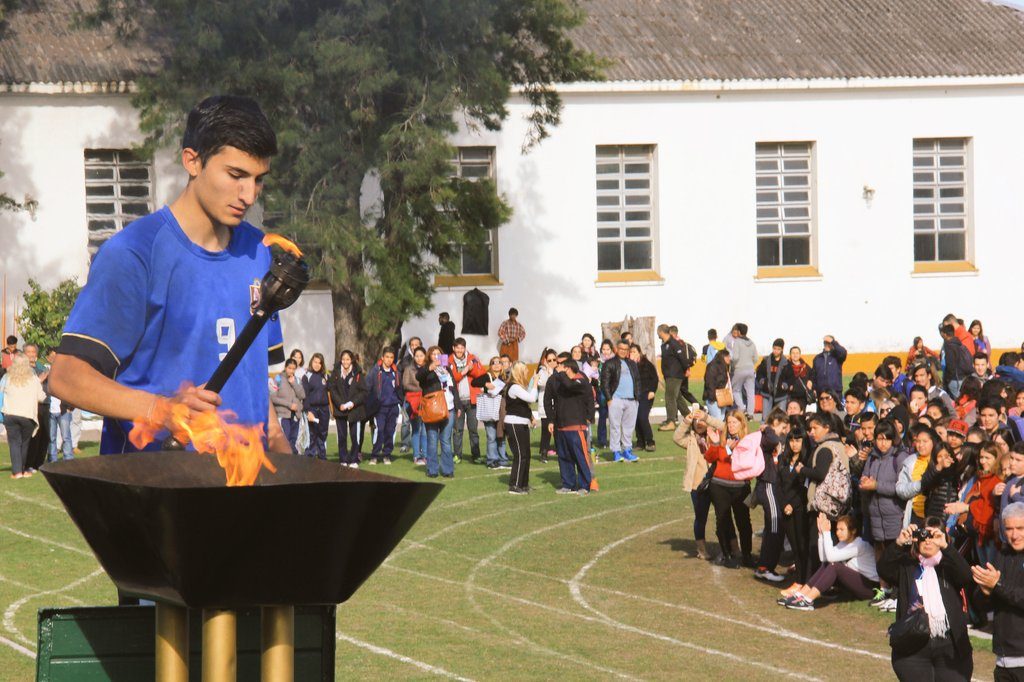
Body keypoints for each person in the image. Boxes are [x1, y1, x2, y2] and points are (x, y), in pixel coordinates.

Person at [49, 95, 289, 458]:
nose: (249, 194)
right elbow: (66, 377)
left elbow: (256, 387)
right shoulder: (134, 253)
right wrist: (162, 411)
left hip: (244, 490)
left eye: (259, 180)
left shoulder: (259, 253)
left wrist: (287, 467)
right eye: (236, 175)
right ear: (192, 160)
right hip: (155, 494)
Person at [880, 517, 973, 681]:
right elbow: (884, 569)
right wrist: (899, 543)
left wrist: (946, 547)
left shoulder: (948, 564)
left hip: (950, 644)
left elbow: (966, 576)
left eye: (934, 536)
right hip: (913, 646)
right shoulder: (907, 565)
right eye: (924, 535)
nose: (928, 541)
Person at [859, 421, 912, 611]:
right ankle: (883, 589)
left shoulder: (900, 457)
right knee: (879, 550)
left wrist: (877, 486)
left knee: (895, 552)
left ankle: (898, 593)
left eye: (886, 439)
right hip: (875, 513)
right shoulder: (872, 457)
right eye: (879, 438)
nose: (882, 443)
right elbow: (865, 475)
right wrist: (865, 482)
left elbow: (900, 487)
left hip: (894, 513)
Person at [780, 513, 879, 611]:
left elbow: (831, 558)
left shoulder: (859, 545)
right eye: (837, 529)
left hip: (870, 588)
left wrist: (826, 532)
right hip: (857, 582)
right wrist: (821, 534)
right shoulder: (843, 543)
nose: (838, 532)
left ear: (853, 531)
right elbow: (824, 559)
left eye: (842, 529)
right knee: (828, 564)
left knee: (834, 566)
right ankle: (800, 595)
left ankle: (807, 600)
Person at [973, 502, 1024, 682]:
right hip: (1003, 659)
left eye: (1020, 528)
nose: (1014, 535)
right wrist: (985, 591)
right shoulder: (1001, 554)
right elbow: (980, 603)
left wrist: (997, 586)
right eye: (1009, 529)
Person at [704, 408, 754, 569]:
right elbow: (709, 457)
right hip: (719, 486)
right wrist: (718, 445)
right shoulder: (721, 438)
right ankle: (727, 555)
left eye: (734, 422)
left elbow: (745, 461)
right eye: (729, 422)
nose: (731, 426)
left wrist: (726, 452)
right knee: (723, 520)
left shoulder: (748, 441)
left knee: (744, 522)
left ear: (742, 424)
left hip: (740, 487)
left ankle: (746, 555)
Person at [674, 407, 723, 560]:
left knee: (722, 516)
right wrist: (687, 420)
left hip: (717, 482)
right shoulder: (690, 440)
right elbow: (676, 437)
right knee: (700, 518)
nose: (700, 423)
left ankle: (726, 547)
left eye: (702, 420)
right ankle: (701, 549)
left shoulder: (716, 437)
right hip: (698, 485)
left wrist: (707, 417)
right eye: (697, 421)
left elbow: (724, 426)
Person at [545, 357, 597, 495]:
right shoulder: (558, 381)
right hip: (561, 426)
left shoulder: (580, 381)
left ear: (568, 368)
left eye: (562, 366)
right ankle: (569, 484)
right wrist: (551, 420)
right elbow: (548, 400)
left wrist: (589, 417)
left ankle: (585, 485)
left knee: (580, 456)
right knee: (564, 457)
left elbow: (571, 386)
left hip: (576, 426)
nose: (558, 368)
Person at [753, 409, 788, 583]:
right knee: (775, 526)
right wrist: (768, 428)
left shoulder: (772, 437)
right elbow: (774, 439)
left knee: (773, 527)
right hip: (768, 484)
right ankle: (766, 567)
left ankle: (765, 566)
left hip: (772, 485)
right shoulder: (768, 436)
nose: (784, 431)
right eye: (782, 426)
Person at [1, 353, 47, 478]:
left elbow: (1, 393)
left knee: (14, 443)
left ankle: (17, 471)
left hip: (10, 415)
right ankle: (23, 469)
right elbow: (41, 397)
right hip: (28, 416)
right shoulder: (33, 379)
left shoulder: (7, 378)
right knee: (25, 443)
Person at [416, 345, 458, 478]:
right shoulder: (426, 368)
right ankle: (432, 470)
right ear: (429, 356)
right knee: (432, 440)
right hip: (433, 409)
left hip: (449, 408)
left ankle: (447, 470)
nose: (436, 356)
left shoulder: (447, 368)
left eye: (438, 353)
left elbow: (454, 387)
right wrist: (430, 368)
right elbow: (419, 377)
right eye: (433, 354)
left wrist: (459, 406)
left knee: (446, 440)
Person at [778, 425, 813, 584]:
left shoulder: (807, 461)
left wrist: (792, 504)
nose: (794, 444)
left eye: (798, 441)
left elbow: (803, 488)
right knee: (793, 545)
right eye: (791, 440)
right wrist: (784, 504)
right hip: (785, 508)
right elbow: (778, 484)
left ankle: (804, 581)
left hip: (800, 508)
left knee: (802, 546)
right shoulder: (782, 459)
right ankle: (799, 580)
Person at [601, 340, 641, 463]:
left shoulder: (632, 364)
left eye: (625, 349)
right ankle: (616, 452)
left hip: (631, 400)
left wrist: (637, 397)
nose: (623, 351)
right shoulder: (609, 363)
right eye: (621, 348)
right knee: (615, 427)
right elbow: (604, 383)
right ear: (616, 349)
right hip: (616, 400)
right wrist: (609, 398)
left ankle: (627, 450)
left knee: (629, 427)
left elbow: (638, 380)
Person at [448, 338, 485, 463]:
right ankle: (457, 455)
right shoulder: (448, 360)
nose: (459, 350)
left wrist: (471, 369)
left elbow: (481, 373)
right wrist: (465, 371)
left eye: (462, 348)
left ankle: (476, 455)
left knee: (473, 430)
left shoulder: (473, 358)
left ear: (465, 348)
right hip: (457, 402)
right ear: (453, 348)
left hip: (472, 401)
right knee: (457, 430)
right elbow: (453, 378)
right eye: (457, 347)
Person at [503, 361, 538, 494]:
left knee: (526, 455)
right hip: (514, 423)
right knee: (520, 454)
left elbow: (524, 405)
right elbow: (531, 398)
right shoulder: (514, 387)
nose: (527, 372)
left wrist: (530, 417)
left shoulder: (519, 387)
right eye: (525, 370)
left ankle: (523, 484)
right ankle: (515, 485)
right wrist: (535, 382)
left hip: (522, 423)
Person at [328, 350, 367, 467]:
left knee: (355, 436)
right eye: (343, 359)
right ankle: (343, 459)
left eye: (348, 359)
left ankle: (354, 459)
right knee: (342, 436)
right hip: (340, 410)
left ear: (351, 360)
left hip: (354, 410)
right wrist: (340, 403)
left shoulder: (358, 373)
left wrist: (352, 403)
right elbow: (332, 390)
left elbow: (364, 392)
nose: (345, 361)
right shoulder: (335, 373)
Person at [366, 347, 403, 465]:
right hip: (380, 408)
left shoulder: (396, 372)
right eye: (387, 357)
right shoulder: (375, 371)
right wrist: (371, 404)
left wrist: (400, 402)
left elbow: (400, 389)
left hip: (393, 407)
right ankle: (375, 455)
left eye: (391, 357)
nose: (389, 360)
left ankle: (386, 454)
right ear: (382, 358)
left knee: (390, 431)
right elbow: (368, 388)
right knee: (379, 431)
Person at [473, 356, 509, 469]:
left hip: (502, 410)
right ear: (490, 365)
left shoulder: (505, 377)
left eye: (499, 362)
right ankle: (492, 460)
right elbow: (474, 382)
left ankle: (503, 459)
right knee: (491, 436)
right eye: (494, 363)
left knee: (502, 435)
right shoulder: (487, 376)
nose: (497, 365)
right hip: (489, 409)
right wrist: (486, 384)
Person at [658, 323, 689, 431]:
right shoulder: (665, 344)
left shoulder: (673, 343)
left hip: (674, 375)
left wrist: (687, 369)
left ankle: (671, 421)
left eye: (658, 332)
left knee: (670, 397)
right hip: (669, 375)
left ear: (661, 331)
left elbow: (682, 357)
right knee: (678, 398)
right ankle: (690, 418)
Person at [272, 358, 306, 454]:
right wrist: (289, 405)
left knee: (294, 441)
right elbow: (273, 398)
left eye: (293, 369)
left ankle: (294, 464)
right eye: (289, 368)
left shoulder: (297, 380)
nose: (291, 371)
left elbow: (302, 395)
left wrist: (293, 383)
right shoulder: (278, 379)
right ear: (285, 367)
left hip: (295, 415)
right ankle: (284, 463)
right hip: (283, 415)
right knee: (285, 440)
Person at [630, 343, 659, 452]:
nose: (632, 354)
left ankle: (650, 441)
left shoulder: (646, 364)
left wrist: (652, 390)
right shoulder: (629, 365)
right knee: (636, 419)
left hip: (646, 394)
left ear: (639, 352)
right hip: (634, 395)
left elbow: (654, 378)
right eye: (631, 352)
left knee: (642, 416)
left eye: (634, 352)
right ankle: (640, 442)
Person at [755, 338, 793, 422]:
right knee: (765, 418)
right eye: (774, 348)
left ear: (782, 349)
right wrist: (762, 381)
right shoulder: (766, 360)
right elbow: (759, 373)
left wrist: (785, 385)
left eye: (778, 349)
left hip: (781, 394)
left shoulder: (786, 363)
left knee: (781, 418)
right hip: (767, 393)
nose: (776, 351)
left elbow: (790, 377)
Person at [402, 346, 428, 466]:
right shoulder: (409, 368)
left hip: (426, 401)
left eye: (421, 355)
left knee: (425, 431)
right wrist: (421, 389)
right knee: (416, 429)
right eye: (416, 356)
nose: (419, 358)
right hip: (412, 401)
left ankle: (425, 455)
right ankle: (416, 455)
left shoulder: (428, 368)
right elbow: (405, 384)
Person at [300, 353, 329, 459]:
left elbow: (330, 392)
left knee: (323, 433)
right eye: (315, 362)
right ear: (311, 362)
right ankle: (310, 457)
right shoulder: (307, 376)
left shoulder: (325, 376)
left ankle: (322, 457)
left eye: (319, 363)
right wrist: (308, 411)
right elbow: (305, 395)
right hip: (312, 409)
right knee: (312, 434)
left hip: (324, 409)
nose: (317, 365)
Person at [728, 323, 758, 415]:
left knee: (735, 389)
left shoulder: (737, 342)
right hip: (750, 369)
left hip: (739, 369)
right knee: (750, 392)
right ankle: (750, 413)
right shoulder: (752, 342)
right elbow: (756, 358)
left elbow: (735, 357)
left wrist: (732, 364)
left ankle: (741, 407)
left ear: (739, 332)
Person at [534, 348, 558, 463]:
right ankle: (544, 452)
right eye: (549, 360)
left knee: (558, 430)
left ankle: (559, 451)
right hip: (545, 406)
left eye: (554, 359)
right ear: (545, 361)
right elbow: (541, 383)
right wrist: (548, 371)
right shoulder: (542, 371)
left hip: (558, 405)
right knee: (546, 431)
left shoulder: (559, 371)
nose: (552, 362)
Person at [940, 324, 973, 400]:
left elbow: (950, 365)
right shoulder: (959, 343)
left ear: (944, 334)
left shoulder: (948, 345)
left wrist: (947, 380)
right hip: (963, 377)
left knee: (958, 401)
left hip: (955, 379)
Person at [812, 335, 847, 400]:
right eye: (825, 343)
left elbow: (843, 353)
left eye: (829, 343)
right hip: (821, 393)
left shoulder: (837, 357)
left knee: (836, 410)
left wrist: (833, 342)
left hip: (835, 392)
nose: (827, 345)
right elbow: (814, 375)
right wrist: (814, 388)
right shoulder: (817, 358)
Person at [702, 349, 731, 420]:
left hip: (723, 397)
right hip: (713, 398)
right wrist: (713, 398)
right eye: (727, 356)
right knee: (717, 420)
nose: (729, 358)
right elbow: (710, 383)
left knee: (721, 420)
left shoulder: (725, 367)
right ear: (722, 357)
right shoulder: (712, 366)